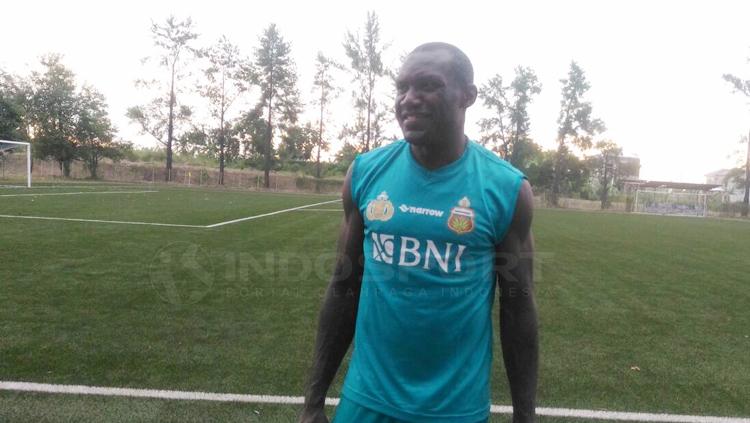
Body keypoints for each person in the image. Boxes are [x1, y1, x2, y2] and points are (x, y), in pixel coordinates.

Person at [299, 42, 538, 423]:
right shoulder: (366, 173)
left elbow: (518, 306)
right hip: (366, 403)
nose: (409, 99)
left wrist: (525, 416)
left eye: (428, 85)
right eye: (402, 88)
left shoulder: (506, 189)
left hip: (455, 410)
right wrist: (313, 402)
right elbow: (344, 287)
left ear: (467, 96)